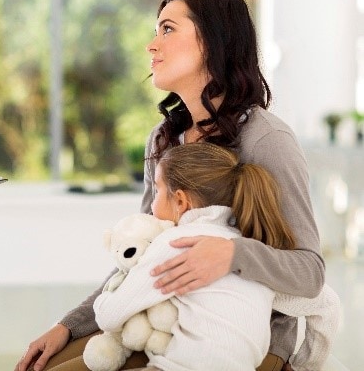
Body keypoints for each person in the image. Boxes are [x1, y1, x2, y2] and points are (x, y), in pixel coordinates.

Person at [16, 0, 326, 371]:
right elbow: (139, 258)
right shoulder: (164, 139)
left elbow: (310, 272)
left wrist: (232, 255)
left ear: (212, 42)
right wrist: (67, 326)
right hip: (163, 319)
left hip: (245, 338)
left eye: (167, 29)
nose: (151, 45)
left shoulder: (267, 140)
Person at [92, 142, 339, 371]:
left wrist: (107, 295)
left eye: (157, 191)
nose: (152, 205)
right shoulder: (251, 255)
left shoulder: (173, 243)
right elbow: (328, 305)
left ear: (180, 201)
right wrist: (304, 366)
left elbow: (109, 317)